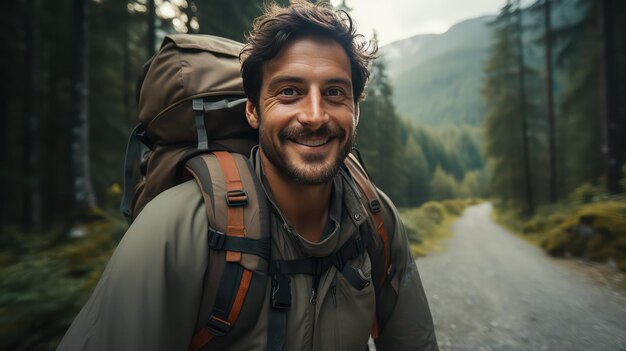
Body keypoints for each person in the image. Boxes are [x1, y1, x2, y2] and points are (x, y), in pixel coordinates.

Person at [58, 1, 438, 350]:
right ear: (253, 111)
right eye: (289, 92)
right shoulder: (179, 227)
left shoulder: (375, 218)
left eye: (335, 92)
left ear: (356, 110)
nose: (315, 116)